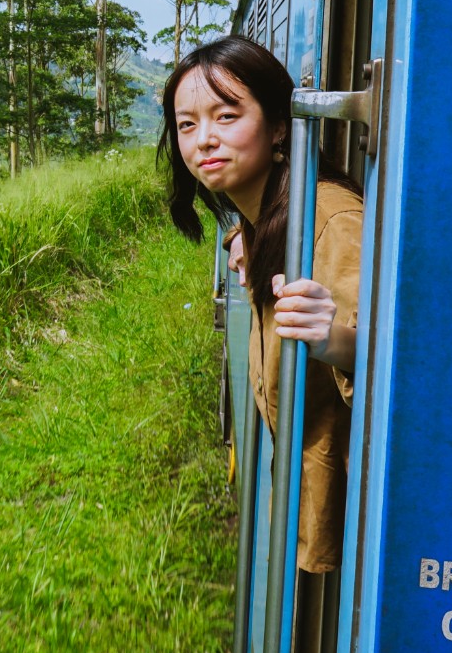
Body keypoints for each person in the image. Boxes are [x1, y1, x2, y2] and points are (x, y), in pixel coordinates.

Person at [156, 34, 365, 575]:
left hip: (356, 529)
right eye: (186, 125)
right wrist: (244, 236)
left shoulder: (331, 223)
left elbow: (402, 360)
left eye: (226, 117)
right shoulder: (270, 217)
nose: (203, 140)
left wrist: (334, 340)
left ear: (279, 126)